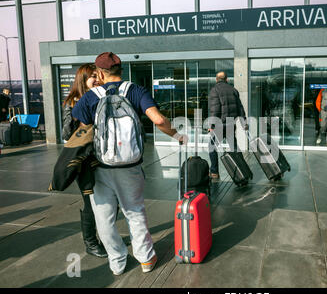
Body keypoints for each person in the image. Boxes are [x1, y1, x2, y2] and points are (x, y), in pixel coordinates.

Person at [72, 52, 186, 276]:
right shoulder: (134, 90)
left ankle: (117, 262)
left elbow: (80, 130)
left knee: (103, 217)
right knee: (134, 212)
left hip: (100, 168)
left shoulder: (91, 96)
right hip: (130, 166)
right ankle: (145, 259)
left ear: (101, 73)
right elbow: (159, 120)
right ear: (121, 70)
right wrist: (177, 135)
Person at [61, 64, 108, 258]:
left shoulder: (100, 98)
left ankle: (106, 237)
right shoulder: (73, 102)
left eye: (98, 77)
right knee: (91, 203)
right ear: (83, 79)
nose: (97, 80)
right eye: (92, 77)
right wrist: (79, 120)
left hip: (103, 157)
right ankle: (90, 242)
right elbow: (66, 133)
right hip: (85, 161)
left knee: (108, 202)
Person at [208, 71, 247, 179]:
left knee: (212, 147)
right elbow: (240, 108)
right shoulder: (233, 90)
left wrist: (211, 125)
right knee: (234, 148)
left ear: (216, 79)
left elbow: (214, 109)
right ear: (227, 79)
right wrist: (244, 122)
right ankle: (242, 169)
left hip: (219, 126)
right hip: (230, 124)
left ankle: (214, 172)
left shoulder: (214, 90)